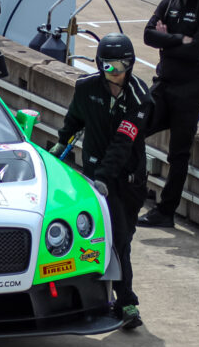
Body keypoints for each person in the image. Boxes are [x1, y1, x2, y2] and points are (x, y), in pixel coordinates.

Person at [51, 33, 151, 329]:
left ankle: (118, 295)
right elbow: (73, 122)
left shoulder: (140, 98)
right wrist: (59, 147)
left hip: (127, 180)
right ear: (99, 65)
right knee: (112, 238)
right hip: (95, 178)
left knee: (123, 237)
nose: (116, 71)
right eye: (109, 66)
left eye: (122, 65)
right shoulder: (85, 89)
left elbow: (123, 143)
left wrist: (105, 178)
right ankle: (126, 301)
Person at [137, 0, 199, 228]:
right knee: (131, 131)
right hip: (164, 85)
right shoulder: (167, 3)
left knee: (178, 154)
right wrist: (179, 39)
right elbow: (148, 36)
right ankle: (133, 191)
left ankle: (165, 212)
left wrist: (167, 40)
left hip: (191, 91)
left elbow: (197, 49)